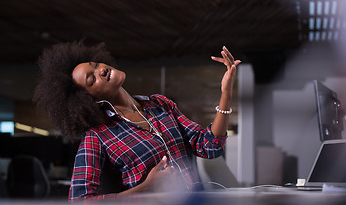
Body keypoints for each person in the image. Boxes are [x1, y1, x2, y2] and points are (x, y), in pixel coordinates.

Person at [33, 41, 241, 200]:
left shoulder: (159, 104)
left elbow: (209, 147)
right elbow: (79, 201)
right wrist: (145, 188)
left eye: (95, 65)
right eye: (92, 78)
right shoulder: (98, 137)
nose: (101, 70)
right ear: (88, 99)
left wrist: (226, 95)